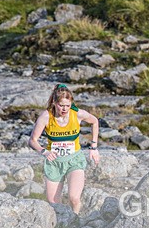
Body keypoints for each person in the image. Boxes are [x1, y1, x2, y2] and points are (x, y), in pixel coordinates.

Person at [28, 84, 100, 215]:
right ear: (55, 103)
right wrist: (44, 151)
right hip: (54, 163)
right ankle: (61, 224)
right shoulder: (46, 117)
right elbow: (33, 141)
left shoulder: (77, 114)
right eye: (61, 105)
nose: (64, 109)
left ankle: (75, 220)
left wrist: (93, 147)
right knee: (54, 203)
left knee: (74, 198)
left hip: (74, 160)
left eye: (67, 105)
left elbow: (94, 121)